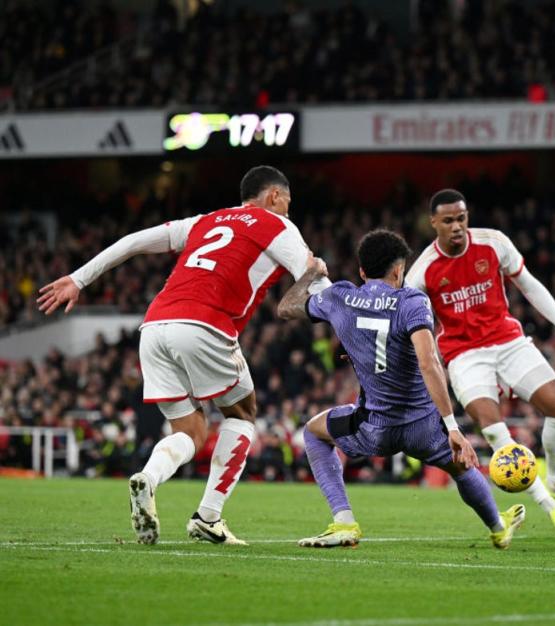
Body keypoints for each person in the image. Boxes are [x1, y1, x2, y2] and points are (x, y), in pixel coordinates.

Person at [38, 165, 318, 545]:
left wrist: (79, 279)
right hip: (205, 324)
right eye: (287, 200)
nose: (288, 209)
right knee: (242, 412)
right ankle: (208, 517)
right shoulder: (277, 225)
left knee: (190, 430)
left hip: (154, 327)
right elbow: (313, 277)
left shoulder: (205, 221)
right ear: (273, 196)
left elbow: (133, 241)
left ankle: (148, 479)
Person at [277, 229, 525, 549]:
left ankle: (344, 522)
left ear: (363, 271)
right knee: (461, 466)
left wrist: (310, 274)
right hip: (423, 428)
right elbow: (428, 363)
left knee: (313, 432)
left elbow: (286, 307)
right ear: (398, 270)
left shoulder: (339, 296)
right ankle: (497, 526)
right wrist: (452, 426)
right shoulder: (412, 301)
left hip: (373, 427)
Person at [405, 189, 555, 536]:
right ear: (433, 223)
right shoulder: (421, 273)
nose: (457, 226)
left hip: (508, 340)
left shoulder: (493, 243)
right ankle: (548, 504)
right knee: (491, 424)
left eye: (461, 218)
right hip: (464, 354)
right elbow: (412, 327)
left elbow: (529, 285)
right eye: (448, 220)